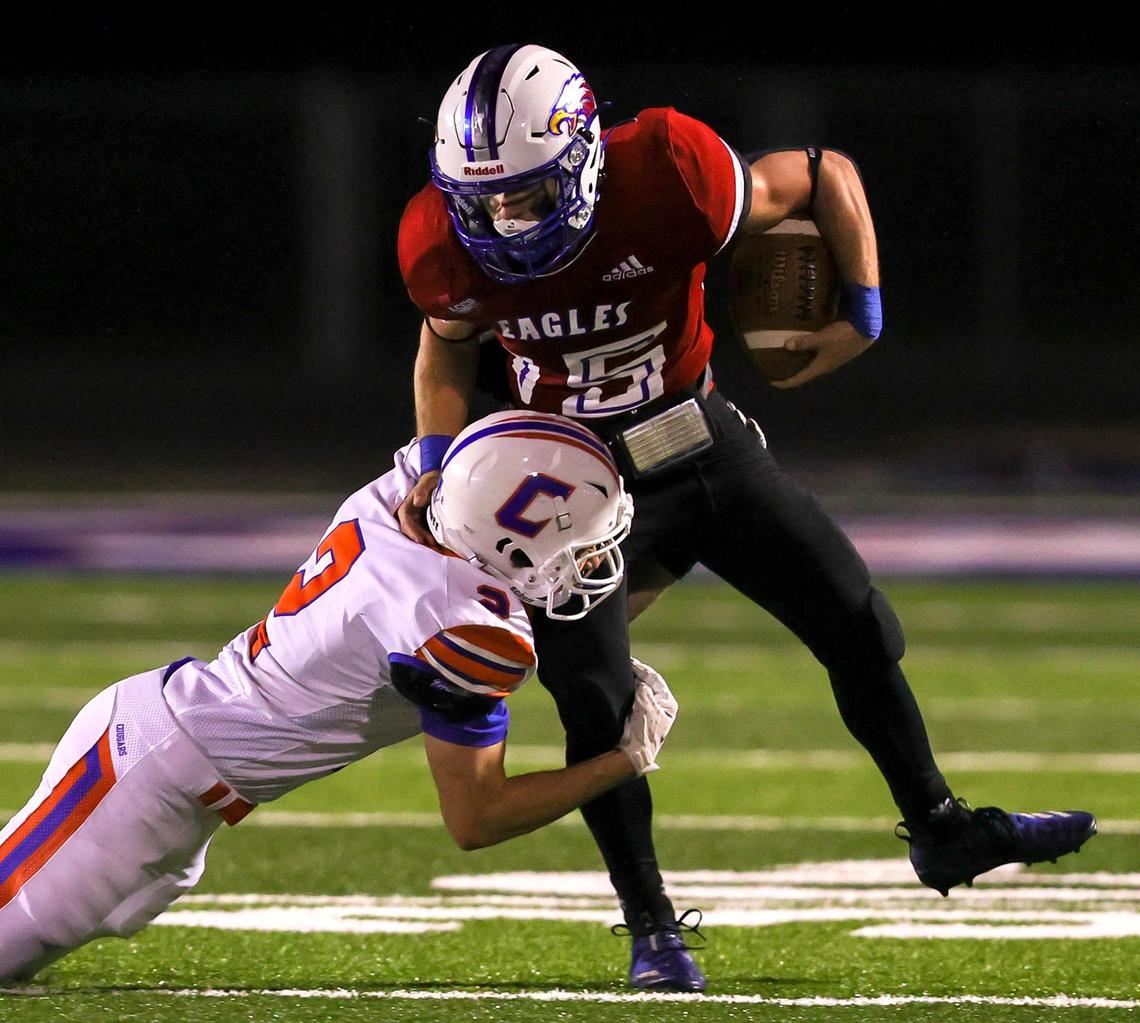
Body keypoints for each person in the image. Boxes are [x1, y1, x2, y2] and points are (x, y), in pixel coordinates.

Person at [396, 44, 1098, 992]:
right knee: (596, 703)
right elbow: (444, 346)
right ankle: (651, 925)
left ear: (584, 155)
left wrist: (864, 311)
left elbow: (820, 173)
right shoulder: (442, 240)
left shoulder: (669, 171)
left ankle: (941, 829)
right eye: (486, 203)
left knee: (857, 618)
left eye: (529, 195)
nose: (506, 223)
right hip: (571, 481)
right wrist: (434, 461)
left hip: (698, 437)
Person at [0, 411, 679, 983]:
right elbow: (478, 817)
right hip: (147, 777)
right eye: (583, 547)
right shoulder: (462, 629)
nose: (597, 563)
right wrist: (624, 758)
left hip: (170, 766)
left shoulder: (408, 492)